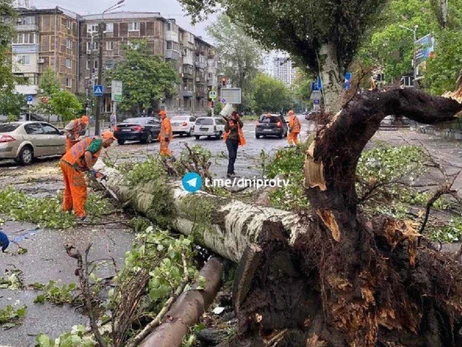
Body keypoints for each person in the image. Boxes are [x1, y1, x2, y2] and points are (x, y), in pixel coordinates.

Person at [59, 131, 116, 220]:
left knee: (70, 189)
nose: (110, 145)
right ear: (108, 138)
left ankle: (67, 210)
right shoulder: (98, 142)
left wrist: (95, 173)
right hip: (72, 165)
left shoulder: (93, 140)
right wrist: (91, 169)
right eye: (111, 142)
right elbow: (88, 153)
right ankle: (79, 214)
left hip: (65, 162)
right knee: (80, 188)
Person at [223, 111, 245, 178]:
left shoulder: (238, 123)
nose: (234, 117)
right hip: (229, 140)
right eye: (233, 115)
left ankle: (232, 171)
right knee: (232, 156)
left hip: (235, 141)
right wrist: (228, 122)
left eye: (235, 116)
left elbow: (241, 125)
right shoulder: (229, 122)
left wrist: (238, 119)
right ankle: (229, 172)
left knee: (234, 156)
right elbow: (226, 130)